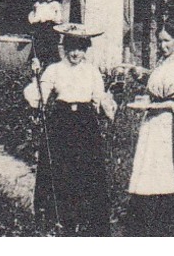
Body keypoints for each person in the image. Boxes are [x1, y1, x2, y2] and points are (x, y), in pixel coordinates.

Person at [24, 23, 117, 235]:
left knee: (86, 169)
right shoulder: (54, 70)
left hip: (85, 123)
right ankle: (57, 218)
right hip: (61, 122)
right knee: (60, 168)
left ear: (86, 49)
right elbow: (40, 96)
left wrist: (107, 105)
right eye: (72, 48)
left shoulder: (92, 71)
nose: (76, 53)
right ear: (64, 47)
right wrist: (35, 77)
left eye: (81, 49)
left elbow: (99, 97)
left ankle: (88, 221)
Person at [124, 24, 174, 234]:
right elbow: (158, 86)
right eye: (160, 41)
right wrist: (141, 76)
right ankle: (150, 220)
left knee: (170, 171)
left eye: (167, 41)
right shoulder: (162, 63)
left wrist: (169, 106)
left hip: (172, 125)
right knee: (151, 170)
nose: (162, 45)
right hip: (153, 123)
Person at [27, 0, 64, 67]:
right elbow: (34, 18)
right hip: (41, 28)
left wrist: (53, 18)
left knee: (51, 49)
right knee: (38, 48)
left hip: (51, 29)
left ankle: (49, 66)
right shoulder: (40, 4)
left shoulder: (56, 5)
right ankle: (38, 67)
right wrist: (35, 11)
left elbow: (58, 19)